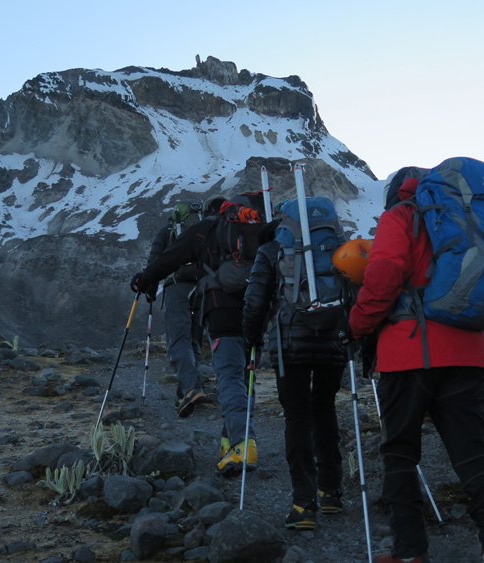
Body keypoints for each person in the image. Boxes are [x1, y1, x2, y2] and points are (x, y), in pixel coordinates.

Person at [349, 175, 484, 563]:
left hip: (409, 355)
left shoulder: (400, 216)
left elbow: (384, 276)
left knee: (400, 455)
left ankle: (409, 552)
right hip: (470, 351)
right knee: (474, 453)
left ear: (396, 196)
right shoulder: (469, 218)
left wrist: (356, 325)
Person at [131, 193, 274, 475]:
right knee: (247, 376)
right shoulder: (260, 228)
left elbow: (169, 259)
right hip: (257, 310)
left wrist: (144, 280)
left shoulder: (205, 230)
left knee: (230, 376)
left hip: (221, 310)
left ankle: (243, 444)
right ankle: (229, 441)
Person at [242, 202, 347, 530]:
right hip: (333, 338)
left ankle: (304, 504)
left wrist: (251, 340)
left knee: (297, 416)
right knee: (326, 408)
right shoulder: (339, 247)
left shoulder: (272, 249)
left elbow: (255, 301)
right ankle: (330, 492)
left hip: (290, 344)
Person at [142, 203, 206, 418]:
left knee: (178, 339)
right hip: (203, 287)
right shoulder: (203, 229)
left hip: (177, 286)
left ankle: (190, 388)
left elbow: (156, 261)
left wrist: (150, 290)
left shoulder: (167, 231)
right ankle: (185, 391)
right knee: (194, 340)